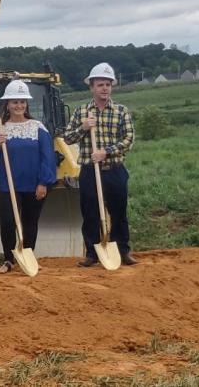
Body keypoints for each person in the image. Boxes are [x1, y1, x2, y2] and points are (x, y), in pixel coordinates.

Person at [63, 62, 137, 267]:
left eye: (108, 84)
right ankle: (92, 253)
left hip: (114, 171)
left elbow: (128, 139)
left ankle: (122, 251)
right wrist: (83, 127)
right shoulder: (81, 112)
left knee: (119, 212)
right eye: (100, 84)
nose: (104, 88)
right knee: (90, 213)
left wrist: (106, 152)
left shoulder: (121, 111)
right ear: (92, 87)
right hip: (89, 171)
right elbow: (67, 138)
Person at [0, 80, 57, 273]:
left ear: (26, 104)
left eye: (22, 102)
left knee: (30, 221)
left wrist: (44, 182)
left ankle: (28, 256)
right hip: (8, 185)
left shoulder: (38, 128)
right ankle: (8, 260)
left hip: (33, 184)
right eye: (14, 102)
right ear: (7, 104)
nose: (19, 106)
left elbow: (47, 157)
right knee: (8, 221)